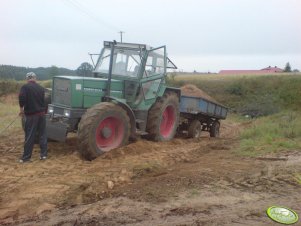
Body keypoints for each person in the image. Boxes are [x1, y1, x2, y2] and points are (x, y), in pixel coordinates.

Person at [19, 72, 47, 163]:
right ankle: (43, 155)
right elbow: (44, 101)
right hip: (42, 115)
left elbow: (22, 98)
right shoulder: (41, 88)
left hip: (31, 115)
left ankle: (26, 158)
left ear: (27, 79)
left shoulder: (25, 87)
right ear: (35, 78)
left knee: (30, 135)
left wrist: (21, 109)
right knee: (42, 135)